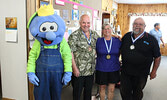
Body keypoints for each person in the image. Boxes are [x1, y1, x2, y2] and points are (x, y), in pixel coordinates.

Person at [27, 5, 72, 100]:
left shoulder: (61, 41)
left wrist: (68, 72)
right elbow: (32, 57)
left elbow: (67, 56)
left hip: (57, 77)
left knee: (56, 97)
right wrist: (30, 72)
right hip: (41, 78)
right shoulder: (38, 42)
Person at [120, 17, 161, 100]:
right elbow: (120, 49)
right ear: (132, 25)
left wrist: (154, 71)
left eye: (140, 24)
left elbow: (157, 57)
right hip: (125, 72)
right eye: (135, 24)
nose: (137, 26)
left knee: (137, 93)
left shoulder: (151, 39)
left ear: (144, 26)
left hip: (141, 74)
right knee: (124, 92)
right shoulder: (127, 36)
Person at [68, 14, 99, 100]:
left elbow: (102, 43)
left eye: (88, 23)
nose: (86, 25)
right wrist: (74, 68)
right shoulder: (74, 36)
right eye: (84, 23)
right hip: (79, 71)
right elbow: (70, 53)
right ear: (80, 23)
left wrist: (114, 36)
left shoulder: (94, 34)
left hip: (90, 70)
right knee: (77, 94)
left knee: (88, 93)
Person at [95, 23, 121, 100]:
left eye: (108, 28)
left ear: (111, 30)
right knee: (102, 88)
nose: (107, 30)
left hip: (114, 67)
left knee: (112, 89)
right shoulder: (98, 40)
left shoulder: (117, 41)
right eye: (105, 29)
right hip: (101, 68)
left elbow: (120, 52)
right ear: (102, 31)